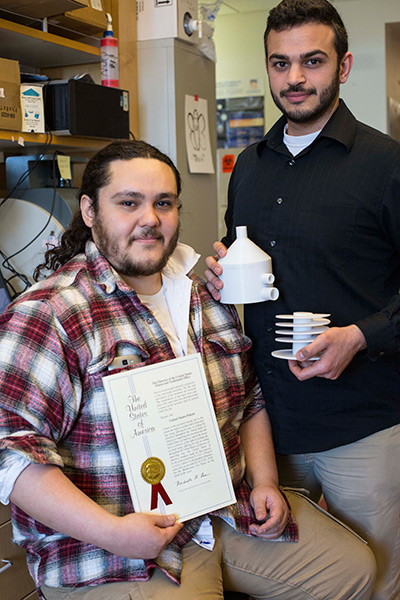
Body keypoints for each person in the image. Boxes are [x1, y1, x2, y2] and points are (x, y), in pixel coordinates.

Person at [0, 140, 376, 600]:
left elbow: (251, 400)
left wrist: (266, 483)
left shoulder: (204, 298)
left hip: (223, 514)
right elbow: (12, 454)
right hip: (114, 548)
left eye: (164, 203)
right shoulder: (51, 313)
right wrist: (115, 533)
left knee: (353, 571)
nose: (150, 219)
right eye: (128, 203)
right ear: (90, 211)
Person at [205, 2, 400, 599]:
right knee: (302, 583)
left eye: (311, 62)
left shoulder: (386, 164)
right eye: (281, 63)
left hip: (362, 424)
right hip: (268, 427)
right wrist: (220, 274)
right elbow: (243, 265)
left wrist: (360, 336)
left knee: (377, 581)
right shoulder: (250, 168)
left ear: (341, 67)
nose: (295, 78)